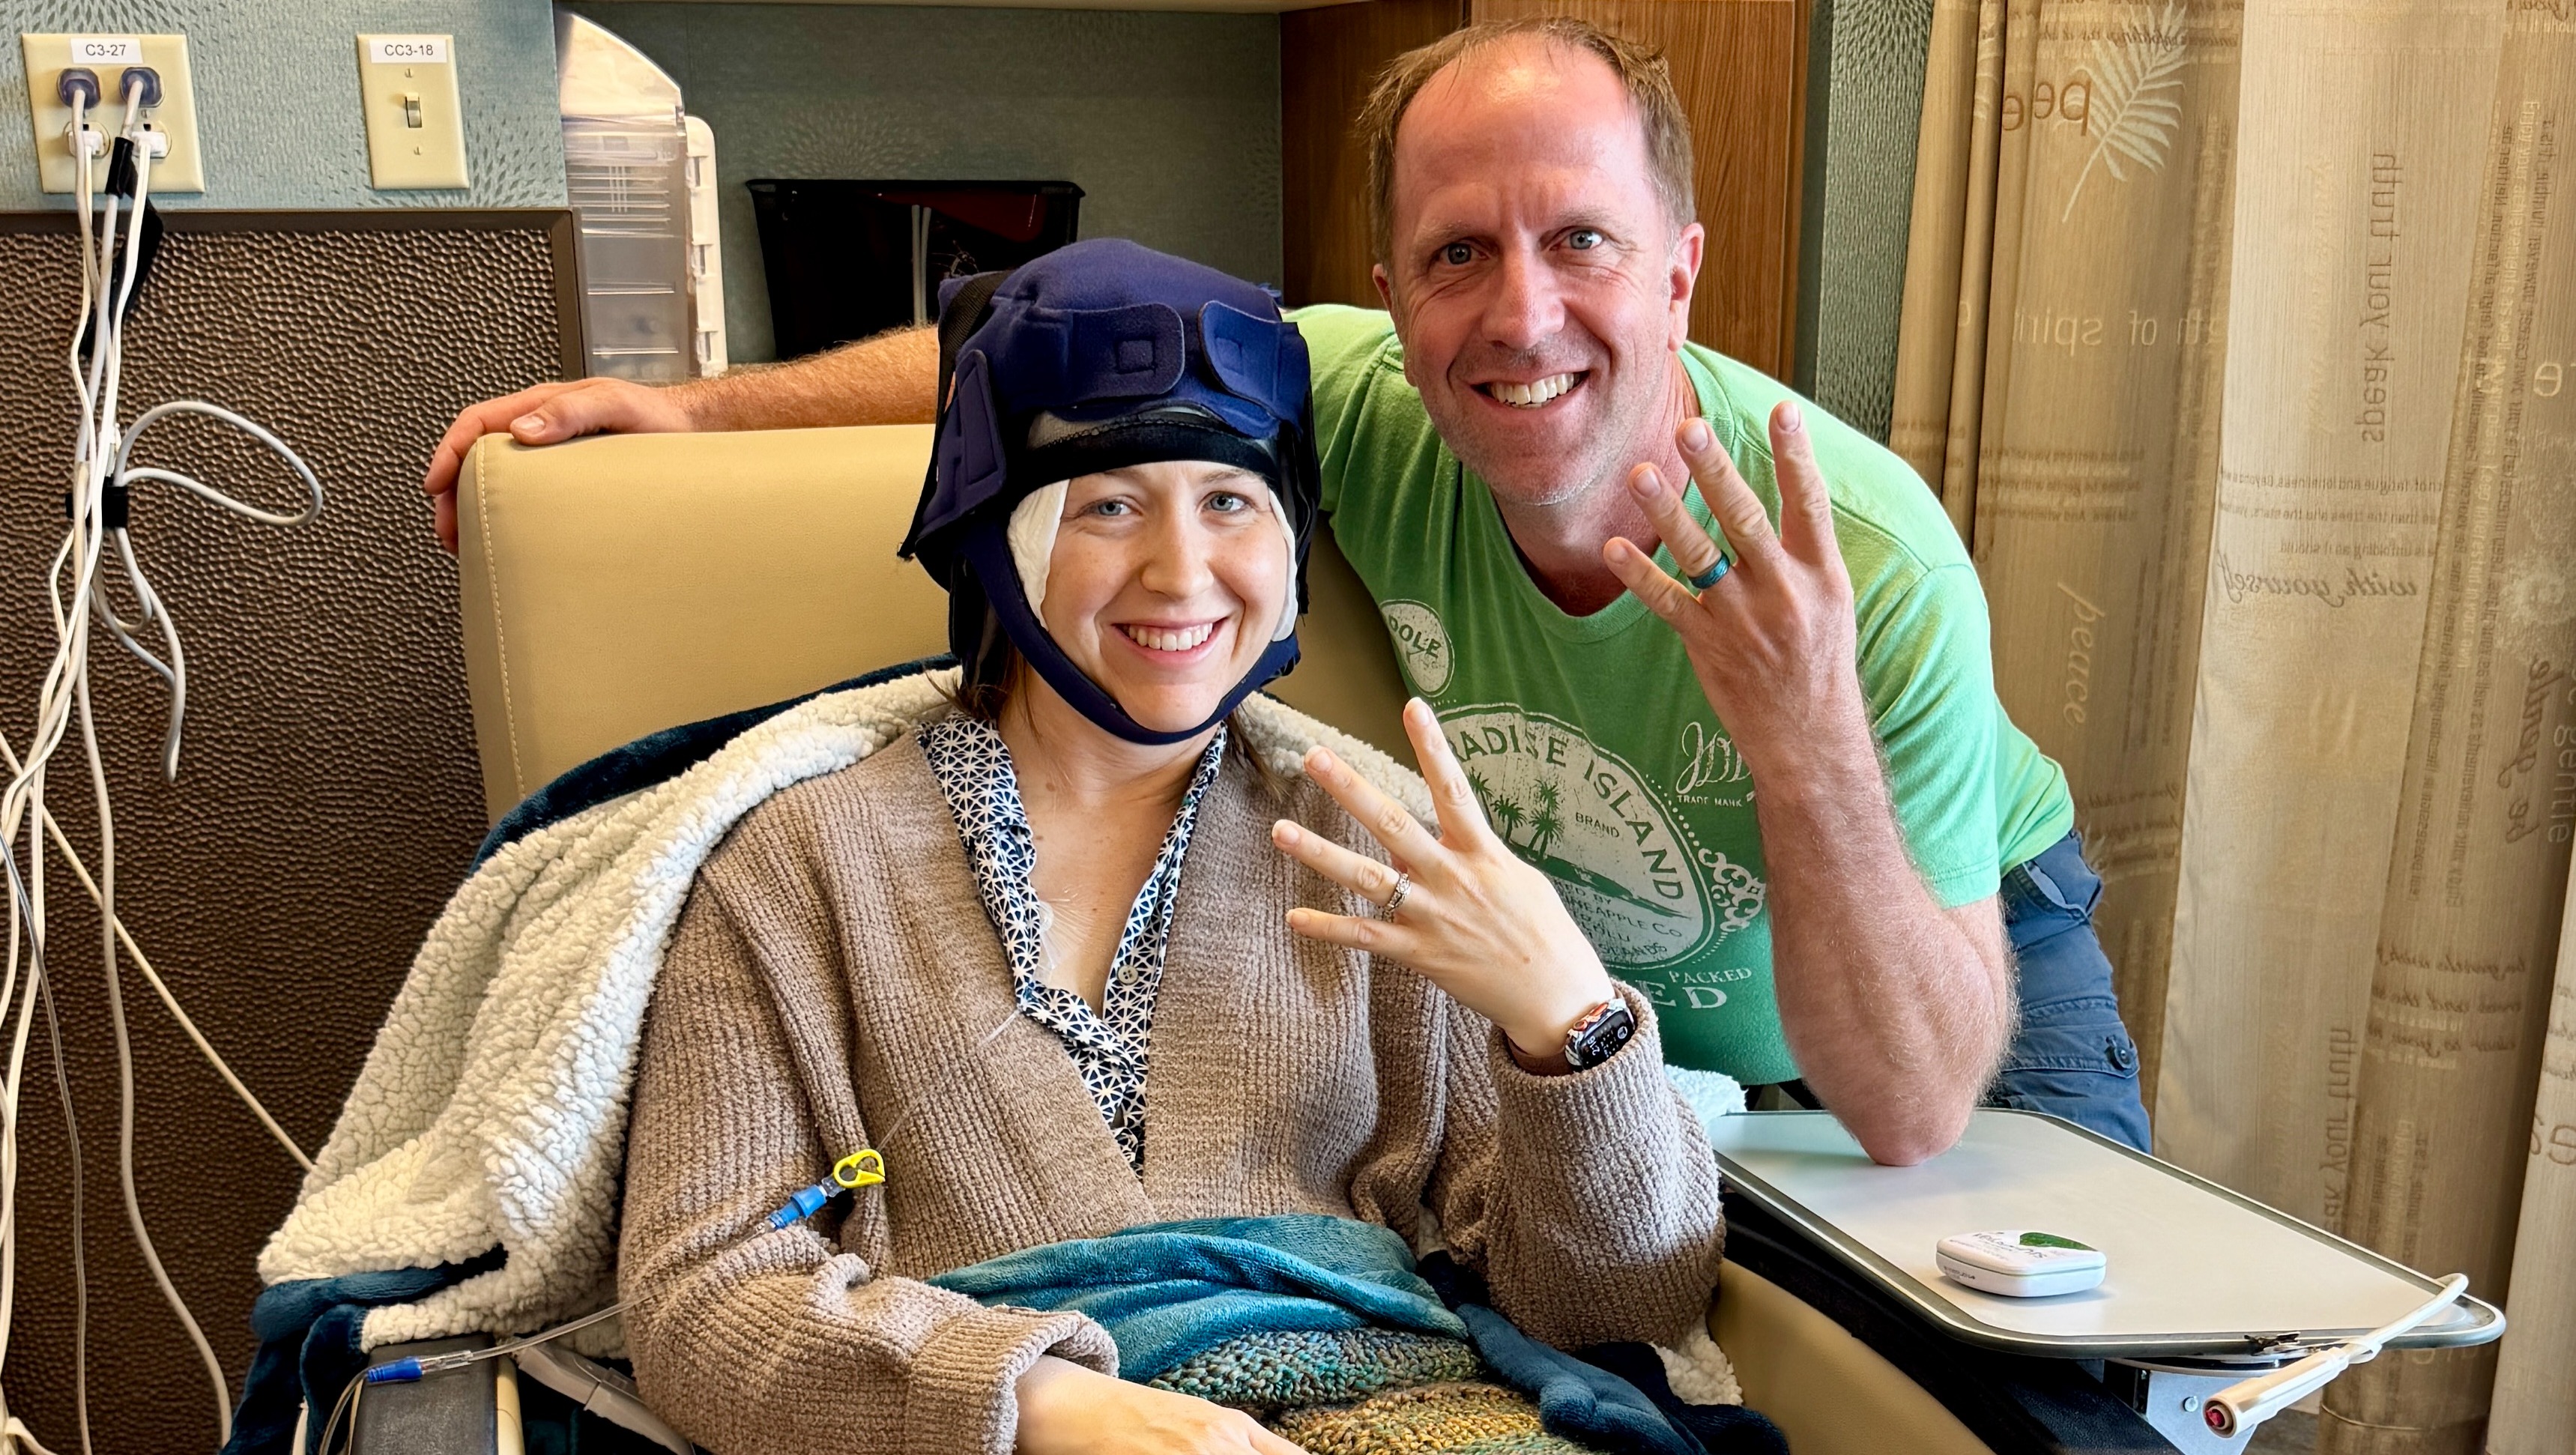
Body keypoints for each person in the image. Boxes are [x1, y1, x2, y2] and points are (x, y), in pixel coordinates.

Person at [426, 21, 2149, 1163]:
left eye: (1582, 241)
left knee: (2066, 1399)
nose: (1521, 315)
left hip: (1942, 968)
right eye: (1459, 253)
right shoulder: (1373, 406)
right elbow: (1037, 351)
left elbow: (1909, 1104)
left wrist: (1805, 738)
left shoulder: (1859, 567)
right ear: (1389, 291)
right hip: (1616, 1039)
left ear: (1681, 271)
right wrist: (687, 408)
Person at [616, 241, 1726, 1455]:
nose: (1182, 570)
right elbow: (700, 1301)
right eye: (1108, 505)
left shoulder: (1391, 852)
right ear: (992, 535)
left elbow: (1621, 1309)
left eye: (1229, 501)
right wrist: (1038, 1404)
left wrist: (1570, 1024)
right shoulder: (795, 869)